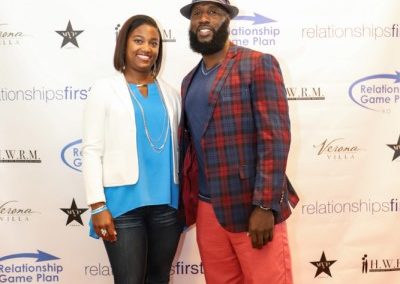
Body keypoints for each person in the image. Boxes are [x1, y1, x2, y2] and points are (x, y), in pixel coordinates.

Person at [178, 0, 299, 283]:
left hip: (252, 208)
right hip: (208, 211)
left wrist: (265, 206)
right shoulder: (188, 80)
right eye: (197, 13)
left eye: (213, 12)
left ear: (227, 20)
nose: (204, 18)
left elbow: (275, 137)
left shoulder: (258, 63)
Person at [82, 15, 182, 284]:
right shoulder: (104, 90)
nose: (146, 48)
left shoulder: (171, 93)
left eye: (153, 43)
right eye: (138, 40)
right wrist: (97, 206)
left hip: (167, 206)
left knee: (159, 278)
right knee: (129, 280)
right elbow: (91, 150)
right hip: (121, 205)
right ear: (124, 44)